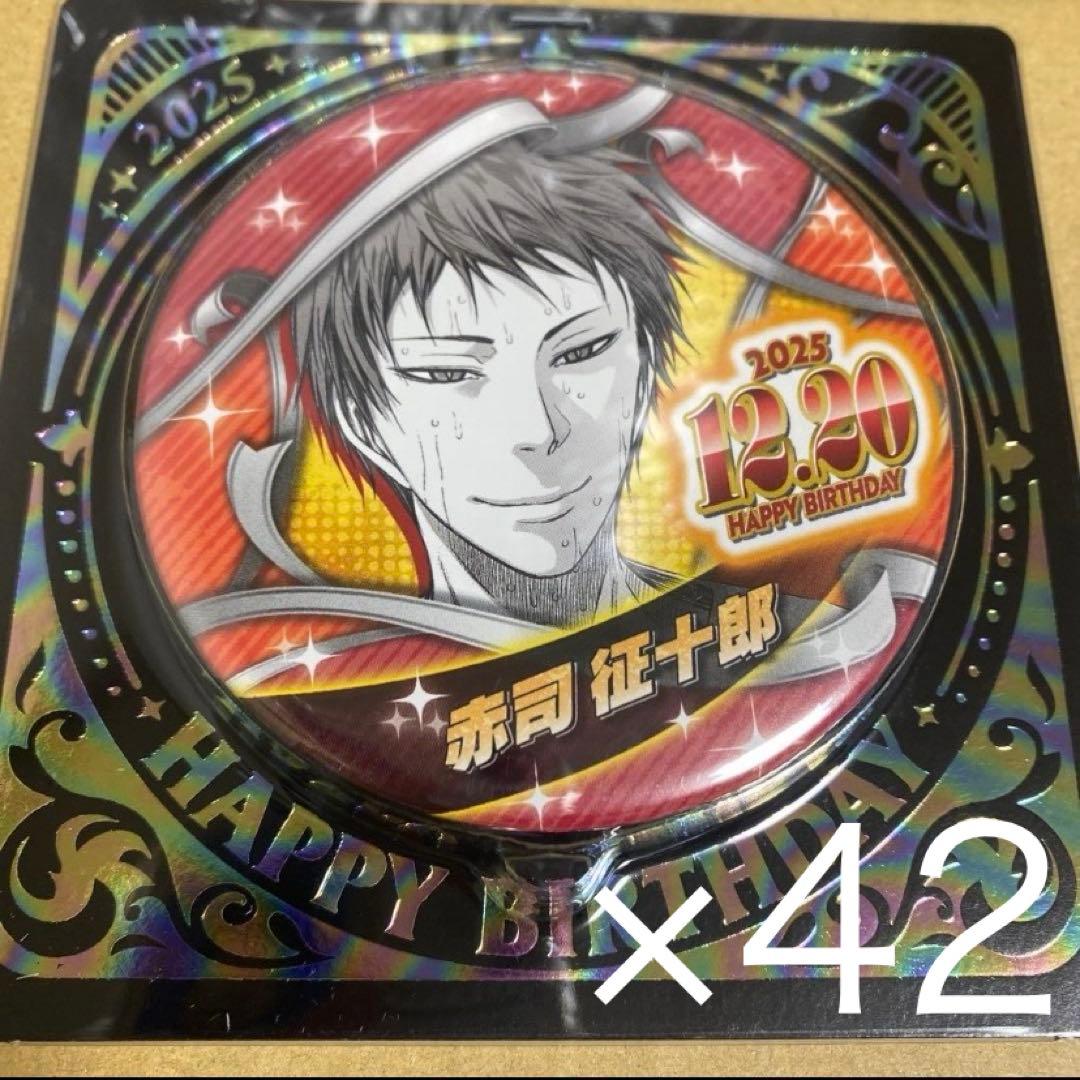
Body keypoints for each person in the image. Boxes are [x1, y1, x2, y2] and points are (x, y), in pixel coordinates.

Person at [291, 137, 688, 629]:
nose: (539, 432)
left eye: (581, 352)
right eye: (447, 373)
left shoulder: (761, 622)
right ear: (363, 423)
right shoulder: (351, 671)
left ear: (643, 365)